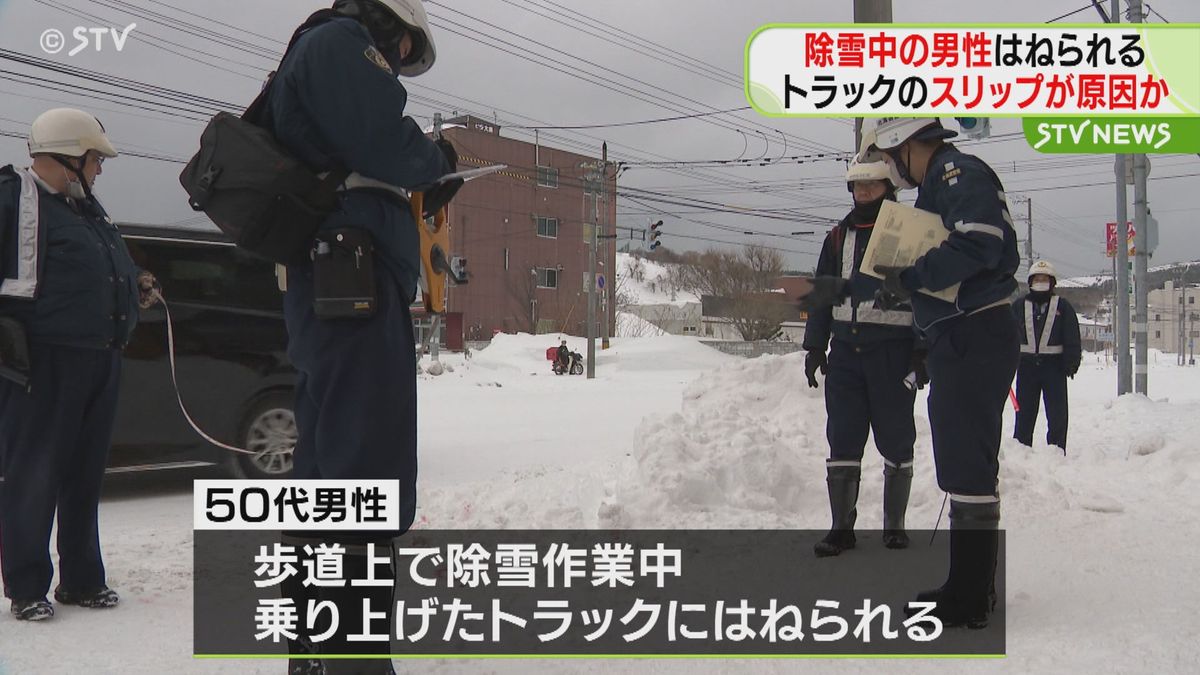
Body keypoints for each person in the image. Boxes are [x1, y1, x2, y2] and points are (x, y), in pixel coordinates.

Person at [264, 1, 457, 672]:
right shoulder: (341, 42)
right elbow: (383, 138)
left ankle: (315, 651)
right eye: (404, 50)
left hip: (339, 281)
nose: (400, 65)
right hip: (353, 282)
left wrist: (426, 175)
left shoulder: (315, 51)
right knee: (363, 470)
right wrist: (435, 158)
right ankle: (353, 657)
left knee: (329, 471)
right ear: (389, 25)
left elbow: (363, 149)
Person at [857, 117, 1021, 629]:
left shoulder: (955, 172)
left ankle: (970, 599)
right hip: (962, 332)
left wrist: (910, 277)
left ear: (905, 144)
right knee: (962, 457)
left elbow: (979, 242)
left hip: (976, 331)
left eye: (889, 157)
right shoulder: (942, 181)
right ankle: (967, 587)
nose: (890, 169)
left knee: (968, 461)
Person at [0, 108, 157, 622]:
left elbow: (105, 265)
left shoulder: (86, 210)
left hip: (100, 356)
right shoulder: (12, 199)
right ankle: (27, 587)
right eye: (95, 161)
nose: (99, 171)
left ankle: (83, 580)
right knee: (35, 472)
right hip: (43, 361)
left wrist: (136, 283)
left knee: (85, 474)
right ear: (69, 158)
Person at [802, 161, 925, 557]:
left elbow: (926, 297)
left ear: (888, 187)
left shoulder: (909, 233)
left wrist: (923, 354)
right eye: (858, 186)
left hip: (892, 353)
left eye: (871, 185)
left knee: (896, 438)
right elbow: (822, 293)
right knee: (843, 439)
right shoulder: (837, 237)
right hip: (845, 354)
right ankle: (841, 528)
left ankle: (894, 526)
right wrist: (815, 347)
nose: (864, 192)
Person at [1012, 260, 1081, 452]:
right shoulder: (1018, 306)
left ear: (1052, 282)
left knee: (1057, 413)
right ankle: (1021, 450)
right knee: (1024, 412)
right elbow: (1006, 336)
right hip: (1026, 368)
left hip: (1055, 368)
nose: (1041, 282)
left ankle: (1057, 450)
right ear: (1031, 281)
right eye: (1037, 279)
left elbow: (1072, 336)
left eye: (1044, 279)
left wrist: (1072, 362)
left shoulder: (1063, 307)